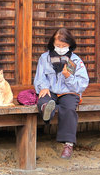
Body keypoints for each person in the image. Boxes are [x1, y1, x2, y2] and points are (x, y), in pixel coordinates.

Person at [33, 27, 89, 159]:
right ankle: (47, 110)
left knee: (69, 108)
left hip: (69, 92)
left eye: (64, 46)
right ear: (52, 43)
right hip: (51, 90)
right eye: (58, 45)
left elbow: (82, 84)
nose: (61, 48)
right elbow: (40, 77)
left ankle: (68, 144)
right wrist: (43, 87)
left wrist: (68, 77)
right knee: (43, 99)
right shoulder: (44, 58)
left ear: (70, 45)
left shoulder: (75, 60)